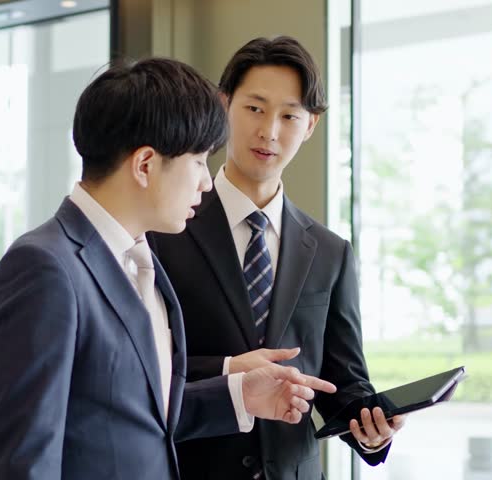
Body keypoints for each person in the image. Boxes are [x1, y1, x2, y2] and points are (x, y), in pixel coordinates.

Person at [0, 57, 336, 480]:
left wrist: (240, 395)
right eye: (199, 161)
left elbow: (140, 414)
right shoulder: (43, 268)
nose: (205, 182)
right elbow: (23, 463)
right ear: (145, 164)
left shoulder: (143, 262)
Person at [148, 37, 404, 479]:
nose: (269, 131)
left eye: (289, 116)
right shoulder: (165, 229)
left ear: (310, 126)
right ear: (223, 104)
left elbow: (342, 380)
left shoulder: (330, 252)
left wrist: (371, 428)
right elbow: (145, 364)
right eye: (254, 108)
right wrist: (231, 374)